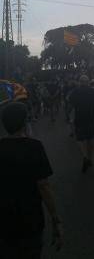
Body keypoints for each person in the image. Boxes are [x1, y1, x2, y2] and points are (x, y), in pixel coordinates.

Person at [0, 102, 63, 259]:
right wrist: (55, 218)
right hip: (30, 216)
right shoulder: (34, 147)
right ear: (24, 122)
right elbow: (43, 186)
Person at [69, 75, 94, 173]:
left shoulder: (75, 91)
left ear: (80, 82)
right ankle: (89, 158)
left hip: (79, 118)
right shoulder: (93, 91)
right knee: (90, 139)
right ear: (88, 82)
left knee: (79, 139)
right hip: (90, 117)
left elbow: (70, 103)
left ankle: (85, 156)